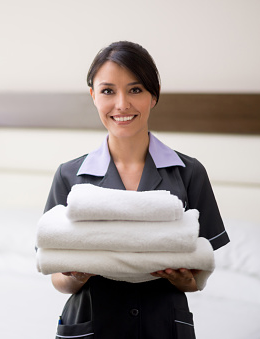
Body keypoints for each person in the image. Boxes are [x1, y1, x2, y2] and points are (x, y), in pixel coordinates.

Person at [44, 41, 230, 339]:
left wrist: (184, 279)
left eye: (135, 89)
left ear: (153, 96)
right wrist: (77, 275)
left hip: (163, 323)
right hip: (91, 322)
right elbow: (57, 276)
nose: (121, 104)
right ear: (93, 95)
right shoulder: (70, 176)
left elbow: (198, 273)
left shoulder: (189, 173)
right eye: (107, 91)